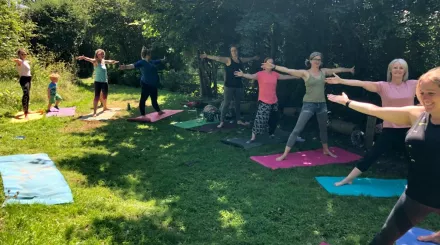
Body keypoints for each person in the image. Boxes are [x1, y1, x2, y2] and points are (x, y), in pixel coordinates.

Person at [327, 66, 440, 245]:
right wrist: (348, 102)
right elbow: (375, 110)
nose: (425, 98)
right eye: (422, 93)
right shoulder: (417, 114)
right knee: (383, 239)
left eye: (431, 93)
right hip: (417, 195)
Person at [325, 59, 418, 186]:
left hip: (410, 129)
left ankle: (416, 184)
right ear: (390, 70)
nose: (398, 70)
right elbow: (361, 83)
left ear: (405, 71)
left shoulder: (413, 84)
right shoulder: (383, 86)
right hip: (390, 128)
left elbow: (433, 84)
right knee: (372, 154)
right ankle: (349, 179)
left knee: (415, 158)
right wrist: (342, 81)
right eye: (395, 67)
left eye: (401, 68)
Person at [261, 52, 354, 161]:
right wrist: (274, 67)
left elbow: (337, 70)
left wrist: (349, 70)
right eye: (315, 59)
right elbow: (289, 70)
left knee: (323, 128)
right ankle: (285, 154)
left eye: (319, 59)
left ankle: (326, 149)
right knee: (297, 129)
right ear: (310, 61)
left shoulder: (323, 72)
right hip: (308, 105)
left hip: (322, 105)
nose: (317, 61)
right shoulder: (305, 73)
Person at [234, 57, 300, 143]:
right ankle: (253, 136)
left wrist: (296, 76)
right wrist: (242, 74)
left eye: (272, 63)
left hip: (274, 101)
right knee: (260, 119)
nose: (271, 65)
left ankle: (271, 133)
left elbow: (285, 76)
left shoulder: (275, 74)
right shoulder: (260, 74)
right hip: (264, 101)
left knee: (274, 118)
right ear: (264, 65)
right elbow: (251, 76)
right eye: (269, 63)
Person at [200, 45, 259, 128]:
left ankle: (238, 120)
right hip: (229, 86)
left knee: (238, 104)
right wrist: (207, 56)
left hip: (238, 86)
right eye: (232, 51)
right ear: (230, 52)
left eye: (235, 50)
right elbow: (217, 58)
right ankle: (221, 121)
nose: (234, 52)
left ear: (237, 51)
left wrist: (253, 58)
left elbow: (247, 59)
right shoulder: (228, 60)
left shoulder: (240, 60)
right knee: (226, 103)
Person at [119, 47, 165, 117]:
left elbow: (157, 61)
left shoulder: (151, 61)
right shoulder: (142, 62)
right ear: (147, 55)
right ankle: (143, 114)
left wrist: (163, 59)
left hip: (153, 84)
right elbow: (133, 66)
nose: (151, 56)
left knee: (154, 99)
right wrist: (125, 67)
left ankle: (159, 111)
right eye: (150, 54)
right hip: (145, 84)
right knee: (143, 99)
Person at [76, 49, 119, 117]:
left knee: (105, 95)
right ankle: (95, 112)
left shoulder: (103, 61)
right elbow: (89, 59)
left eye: (102, 54)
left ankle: (105, 107)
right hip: (98, 82)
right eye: (100, 54)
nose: (101, 55)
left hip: (105, 81)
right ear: (96, 55)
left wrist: (113, 61)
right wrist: (84, 57)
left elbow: (109, 61)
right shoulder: (95, 61)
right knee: (97, 97)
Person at [12, 48, 32, 119]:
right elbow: (17, 60)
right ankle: (25, 113)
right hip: (24, 79)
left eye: (25, 54)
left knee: (28, 94)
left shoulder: (25, 61)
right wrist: (17, 60)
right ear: (19, 55)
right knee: (25, 94)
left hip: (29, 79)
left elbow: (25, 61)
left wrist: (26, 61)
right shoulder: (19, 61)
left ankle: (27, 110)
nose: (24, 55)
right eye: (22, 54)